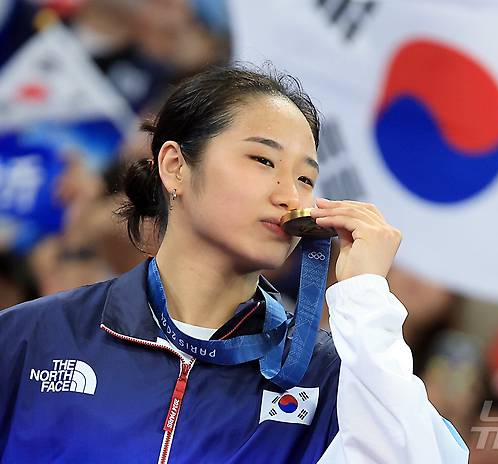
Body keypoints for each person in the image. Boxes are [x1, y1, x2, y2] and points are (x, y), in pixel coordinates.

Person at [0, 65, 468, 463]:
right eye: (263, 160)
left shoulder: (331, 377)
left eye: (306, 177)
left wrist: (366, 298)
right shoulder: (31, 338)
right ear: (175, 167)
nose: (289, 195)